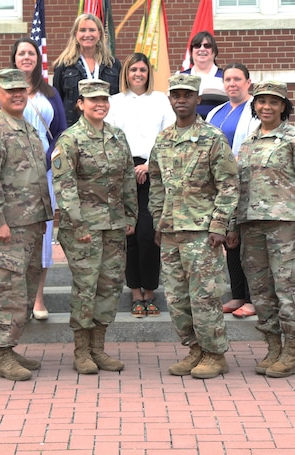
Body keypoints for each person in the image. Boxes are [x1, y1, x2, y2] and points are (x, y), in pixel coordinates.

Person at [148, 73, 239, 380]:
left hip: (202, 232)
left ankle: (215, 354)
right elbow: (157, 182)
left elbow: (228, 184)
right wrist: (157, 221)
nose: (182, 99)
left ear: (198, 99)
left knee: (204, 295)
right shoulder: (163, 139)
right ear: (170, 100)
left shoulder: (212, 138)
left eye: (188, 95)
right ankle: (194, 349)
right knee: (176, 297)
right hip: (171, 230)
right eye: (176, 95)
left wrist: (219, 224)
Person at [227, 81, 295, 378]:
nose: (266, 107)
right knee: (261, 292)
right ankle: (273, 347)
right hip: (251, 226)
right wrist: (232, 225)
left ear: (283, 107)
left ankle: (290, 352)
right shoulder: (249, 141)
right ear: (255, 105)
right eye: (261, 101)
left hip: (286, 227)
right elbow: (238, 188)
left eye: (274, 102)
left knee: (287, 289)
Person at [51, 79, 137, 374]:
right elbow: (64, 186)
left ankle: (99, 348)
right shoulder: (70, 140)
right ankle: (81, 351)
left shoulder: (117, 137)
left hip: (114, 225)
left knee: (109, 286)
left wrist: (131, 216)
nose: (99, 104)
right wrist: (78, 223)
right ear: (80, 104)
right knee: (85, 288)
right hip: (84, 228)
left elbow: (127, 177)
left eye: (103, 99)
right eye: (93, 100)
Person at [0, 69, 54, 381]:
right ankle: (1, 354)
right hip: (8, 227)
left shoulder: (28, 129)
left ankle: (10, 346)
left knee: (25, 288)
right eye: (10, 91)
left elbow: (36, 178)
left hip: (32, 224)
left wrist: (44, 217)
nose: (17, 95)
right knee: (8, 289)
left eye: (21, 90)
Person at [0, 38, 67, 320]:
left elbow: (61, 131)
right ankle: (15, 300)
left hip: (43, 174)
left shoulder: (50, 93)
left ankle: (38, 297)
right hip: (13, 178)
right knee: (15, 237)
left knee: (42, 238)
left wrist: (46, 161)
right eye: (21, 53)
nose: (26, 57)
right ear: (14, 58)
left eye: (31, 53)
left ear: (37, 59)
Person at [105, 53, 175, 317]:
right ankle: (135, 293)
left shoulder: (160, 100)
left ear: (148, 73)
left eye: (143, 69)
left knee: (149, 233)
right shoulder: (114, 102)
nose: (138, 73)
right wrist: (126, 170)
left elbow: (168, 136)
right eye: (133, 69)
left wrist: (149, 165)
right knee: (130, 235)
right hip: (124, 173)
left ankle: (151, 290)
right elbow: (110, 138)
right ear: (126, 73)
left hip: (151, 172)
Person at [206, 63, 258, 319]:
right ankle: (237, 293)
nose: (232, 84)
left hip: (246, 185)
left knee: (247, 241)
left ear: (248, 82)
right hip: (221, 186)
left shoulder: (255, 110)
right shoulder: (216, 111)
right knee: (230, 238)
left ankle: (251, 297)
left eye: (238, 79)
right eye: (228, 79)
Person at [52, 13, 121, 127]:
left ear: (99, 33)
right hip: (74, 130)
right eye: (83, 30)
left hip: (107, 129)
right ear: (76, 34)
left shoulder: (113, 65)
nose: (87, 34)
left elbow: (119, 99)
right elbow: (57, 102)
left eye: (92, 30)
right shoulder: (63, 66)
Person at [180, 31, 226, 118]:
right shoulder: (181, 77)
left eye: (207, 46)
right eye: (197, 46)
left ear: (214, 51)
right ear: (191, 51)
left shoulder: (225, 77)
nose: (202, 49)